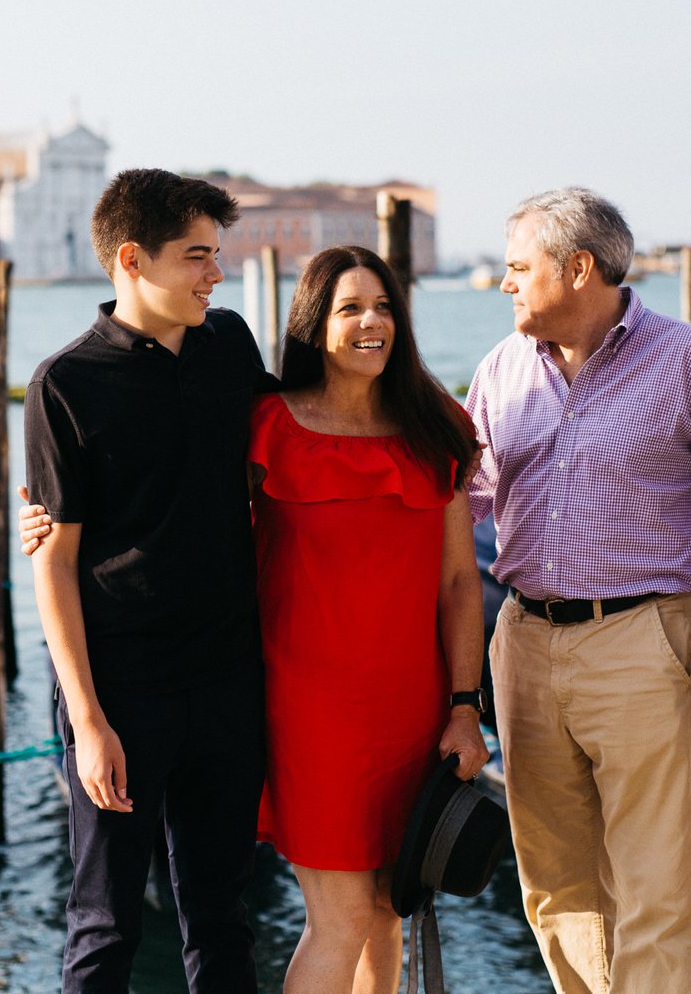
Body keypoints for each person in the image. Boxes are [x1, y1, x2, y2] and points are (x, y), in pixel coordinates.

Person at [466, 187, 691, 994]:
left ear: (579, 269)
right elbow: (462, 505)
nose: (505, 284)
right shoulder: (499, 368)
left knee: (656, 886)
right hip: (524, 640)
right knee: (554, 885)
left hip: (645, 637)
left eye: (518, 267)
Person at [23, 168, 270, 994]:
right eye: (198, 256)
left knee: (222, 918)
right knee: (106, 925)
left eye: (218, 255)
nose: (216, 273)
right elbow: (53, 563)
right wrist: (88, 723)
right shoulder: (65, 384)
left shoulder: (229, 345)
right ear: (134, 259)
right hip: (122, 692)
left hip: (229, 679)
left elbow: (314, 433)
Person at [250, 245, 488, 993]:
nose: (371, 322)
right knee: (343, 917)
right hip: (308, 712)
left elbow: (458, 582)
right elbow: (182, 525)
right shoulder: (266, 426)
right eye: (350, 308)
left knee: (389, 909)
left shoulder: (436, 424)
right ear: (313, 323)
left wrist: (463, 706)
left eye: (383, 307)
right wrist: (58, 516)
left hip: (414, 712)